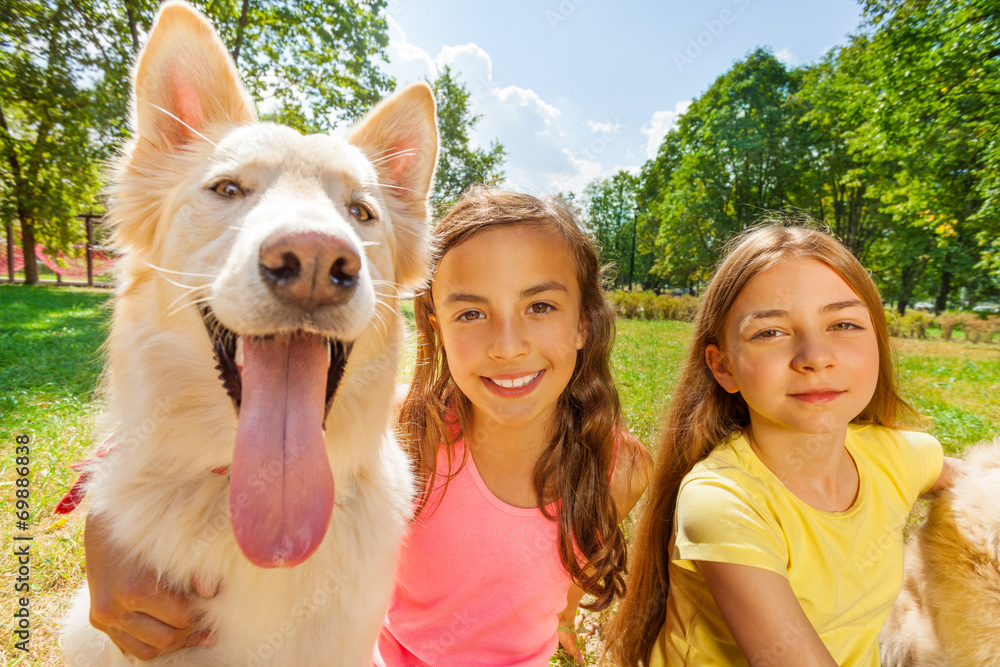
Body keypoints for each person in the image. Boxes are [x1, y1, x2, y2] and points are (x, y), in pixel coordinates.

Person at [82, 187, 653, 666]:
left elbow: (568, 579)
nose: (507, 346)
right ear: (435, 325)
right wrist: (105, 530)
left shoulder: (622, 467)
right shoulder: (403, 429)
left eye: (541, 307)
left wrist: (566, 619)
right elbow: (198, 440)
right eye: (471, 313)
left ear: (585, 322)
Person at [604, 224, 962, 667]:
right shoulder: (723, 503)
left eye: (844, 324)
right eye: (771, 332)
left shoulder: (895, 456)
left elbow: (980, 489)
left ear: (878, 340)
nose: (815, 356)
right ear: (723, 367)